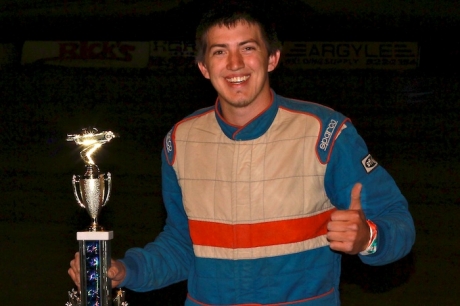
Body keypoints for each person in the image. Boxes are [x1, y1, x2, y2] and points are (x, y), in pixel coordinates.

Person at [69, 4, 415, 305]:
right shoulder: (180, 141)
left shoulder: (327, 133)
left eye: (248, 48)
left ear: (272, 58)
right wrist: (126, 270)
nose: (235, 64)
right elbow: (182, 244)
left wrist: (368, 238)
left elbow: (398, 222)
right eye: (219, 51)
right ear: (204, 66)